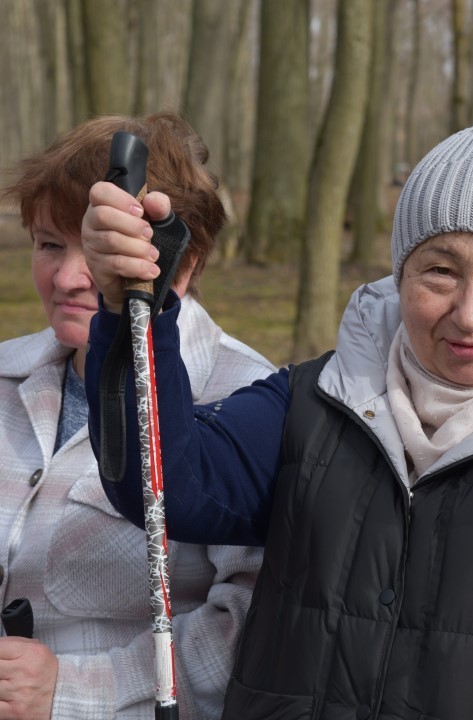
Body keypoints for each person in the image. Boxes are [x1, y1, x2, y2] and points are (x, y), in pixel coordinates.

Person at [81, 118, 473, 719]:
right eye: (440, 271)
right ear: (400, 273)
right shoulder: (317, 400)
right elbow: (160, 484)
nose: (470, 313)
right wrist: (134, 308)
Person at [0, 112, 274, 719]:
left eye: (101, 249)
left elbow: (254, 625)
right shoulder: (5, 377)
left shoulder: (246, 403)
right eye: (50, 244)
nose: (72, 278)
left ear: (187, 257)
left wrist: (71, 691)